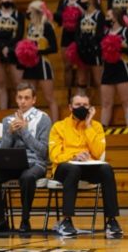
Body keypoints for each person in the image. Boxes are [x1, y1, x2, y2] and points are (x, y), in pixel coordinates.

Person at [48, 94, 123, 238]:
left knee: (107, 169)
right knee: (73, 169)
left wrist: (88, 125)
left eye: (85, 105)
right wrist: (73, 157)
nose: (81, 108)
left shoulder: (96, 126)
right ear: (70, 107)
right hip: (64, 168)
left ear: (90, 108)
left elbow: (98, 152)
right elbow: (54, 156)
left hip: (88, 168)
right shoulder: (58, 127)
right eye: (77, 105)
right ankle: (66, 221)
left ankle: (112, 220)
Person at [0, 83, 51, 234]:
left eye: (27, 98)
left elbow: (43, 152)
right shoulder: (8, 120)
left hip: (35, 164)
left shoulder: (43, 119)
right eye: (20, 98)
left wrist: (25, 132)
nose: (22, 101)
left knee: (27, 177)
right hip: (13, 163)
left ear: (34, 100)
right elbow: (1, 151)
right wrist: (9, 133)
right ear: (16, 99)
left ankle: (25, 221)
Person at [20, 0, 59, 122]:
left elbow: (54, 48)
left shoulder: (47, 26)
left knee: (49, 97)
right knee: (28, 97)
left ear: (36, 12)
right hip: (30, 65)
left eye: (29, 11)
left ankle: (54, 125)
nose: (27, 13)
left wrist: (37, 51)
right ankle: (29, 124)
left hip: (43, 64)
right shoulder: (30, 27)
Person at [100, 8, 128, 127]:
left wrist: (120, 46)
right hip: (108, 69)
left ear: (115, 17)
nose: (106, 19)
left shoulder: (126, 32)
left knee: (126, 102)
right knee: (106, 103)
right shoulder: (105, 33)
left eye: (108, 16)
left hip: (122, 68)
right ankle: (103, 130)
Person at [54, 0, 86, 88]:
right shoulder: (63, 1)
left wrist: (78, 7)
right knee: (67, 66)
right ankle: (67, 93)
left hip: (80, 34)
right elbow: (58, 18)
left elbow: (89, 14)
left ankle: (81, 92)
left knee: (81, 65)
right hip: (67, 34)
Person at [74, 0, 105, 96]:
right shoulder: (82, 16)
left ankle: (104, 105)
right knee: (81, 79)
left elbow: (100, 34)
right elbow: (77, 33)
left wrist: (90, 41)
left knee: (98, 80)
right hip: (83, 50)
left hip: (95, 50)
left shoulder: (99, 15)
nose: (80, 1)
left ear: (91, 0)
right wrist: (80, 44)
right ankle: (80, 105)